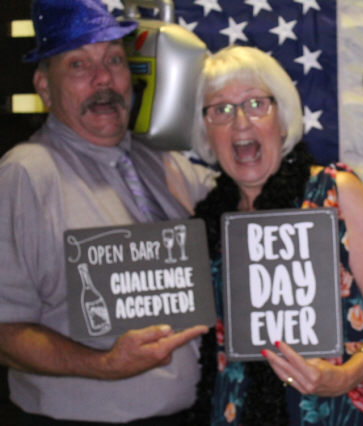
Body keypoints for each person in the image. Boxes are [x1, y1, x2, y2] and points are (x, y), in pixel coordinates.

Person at [0, 0, 215, 423]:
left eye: (114, 60)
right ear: (44, 87)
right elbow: (4, 332)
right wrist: (103, 365)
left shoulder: (160, 161)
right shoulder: (25, 175)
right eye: (78, 65)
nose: (103, 79)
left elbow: (246, 206)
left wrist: (323, 183)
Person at [188, 45, 363, 425]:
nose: (240, 122)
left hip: (339, 410)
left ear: (282, 120)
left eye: (256, 104)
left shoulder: (336, 193)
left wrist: (349, 374)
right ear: (206, 132)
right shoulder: (208, 220)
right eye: (221, 110)